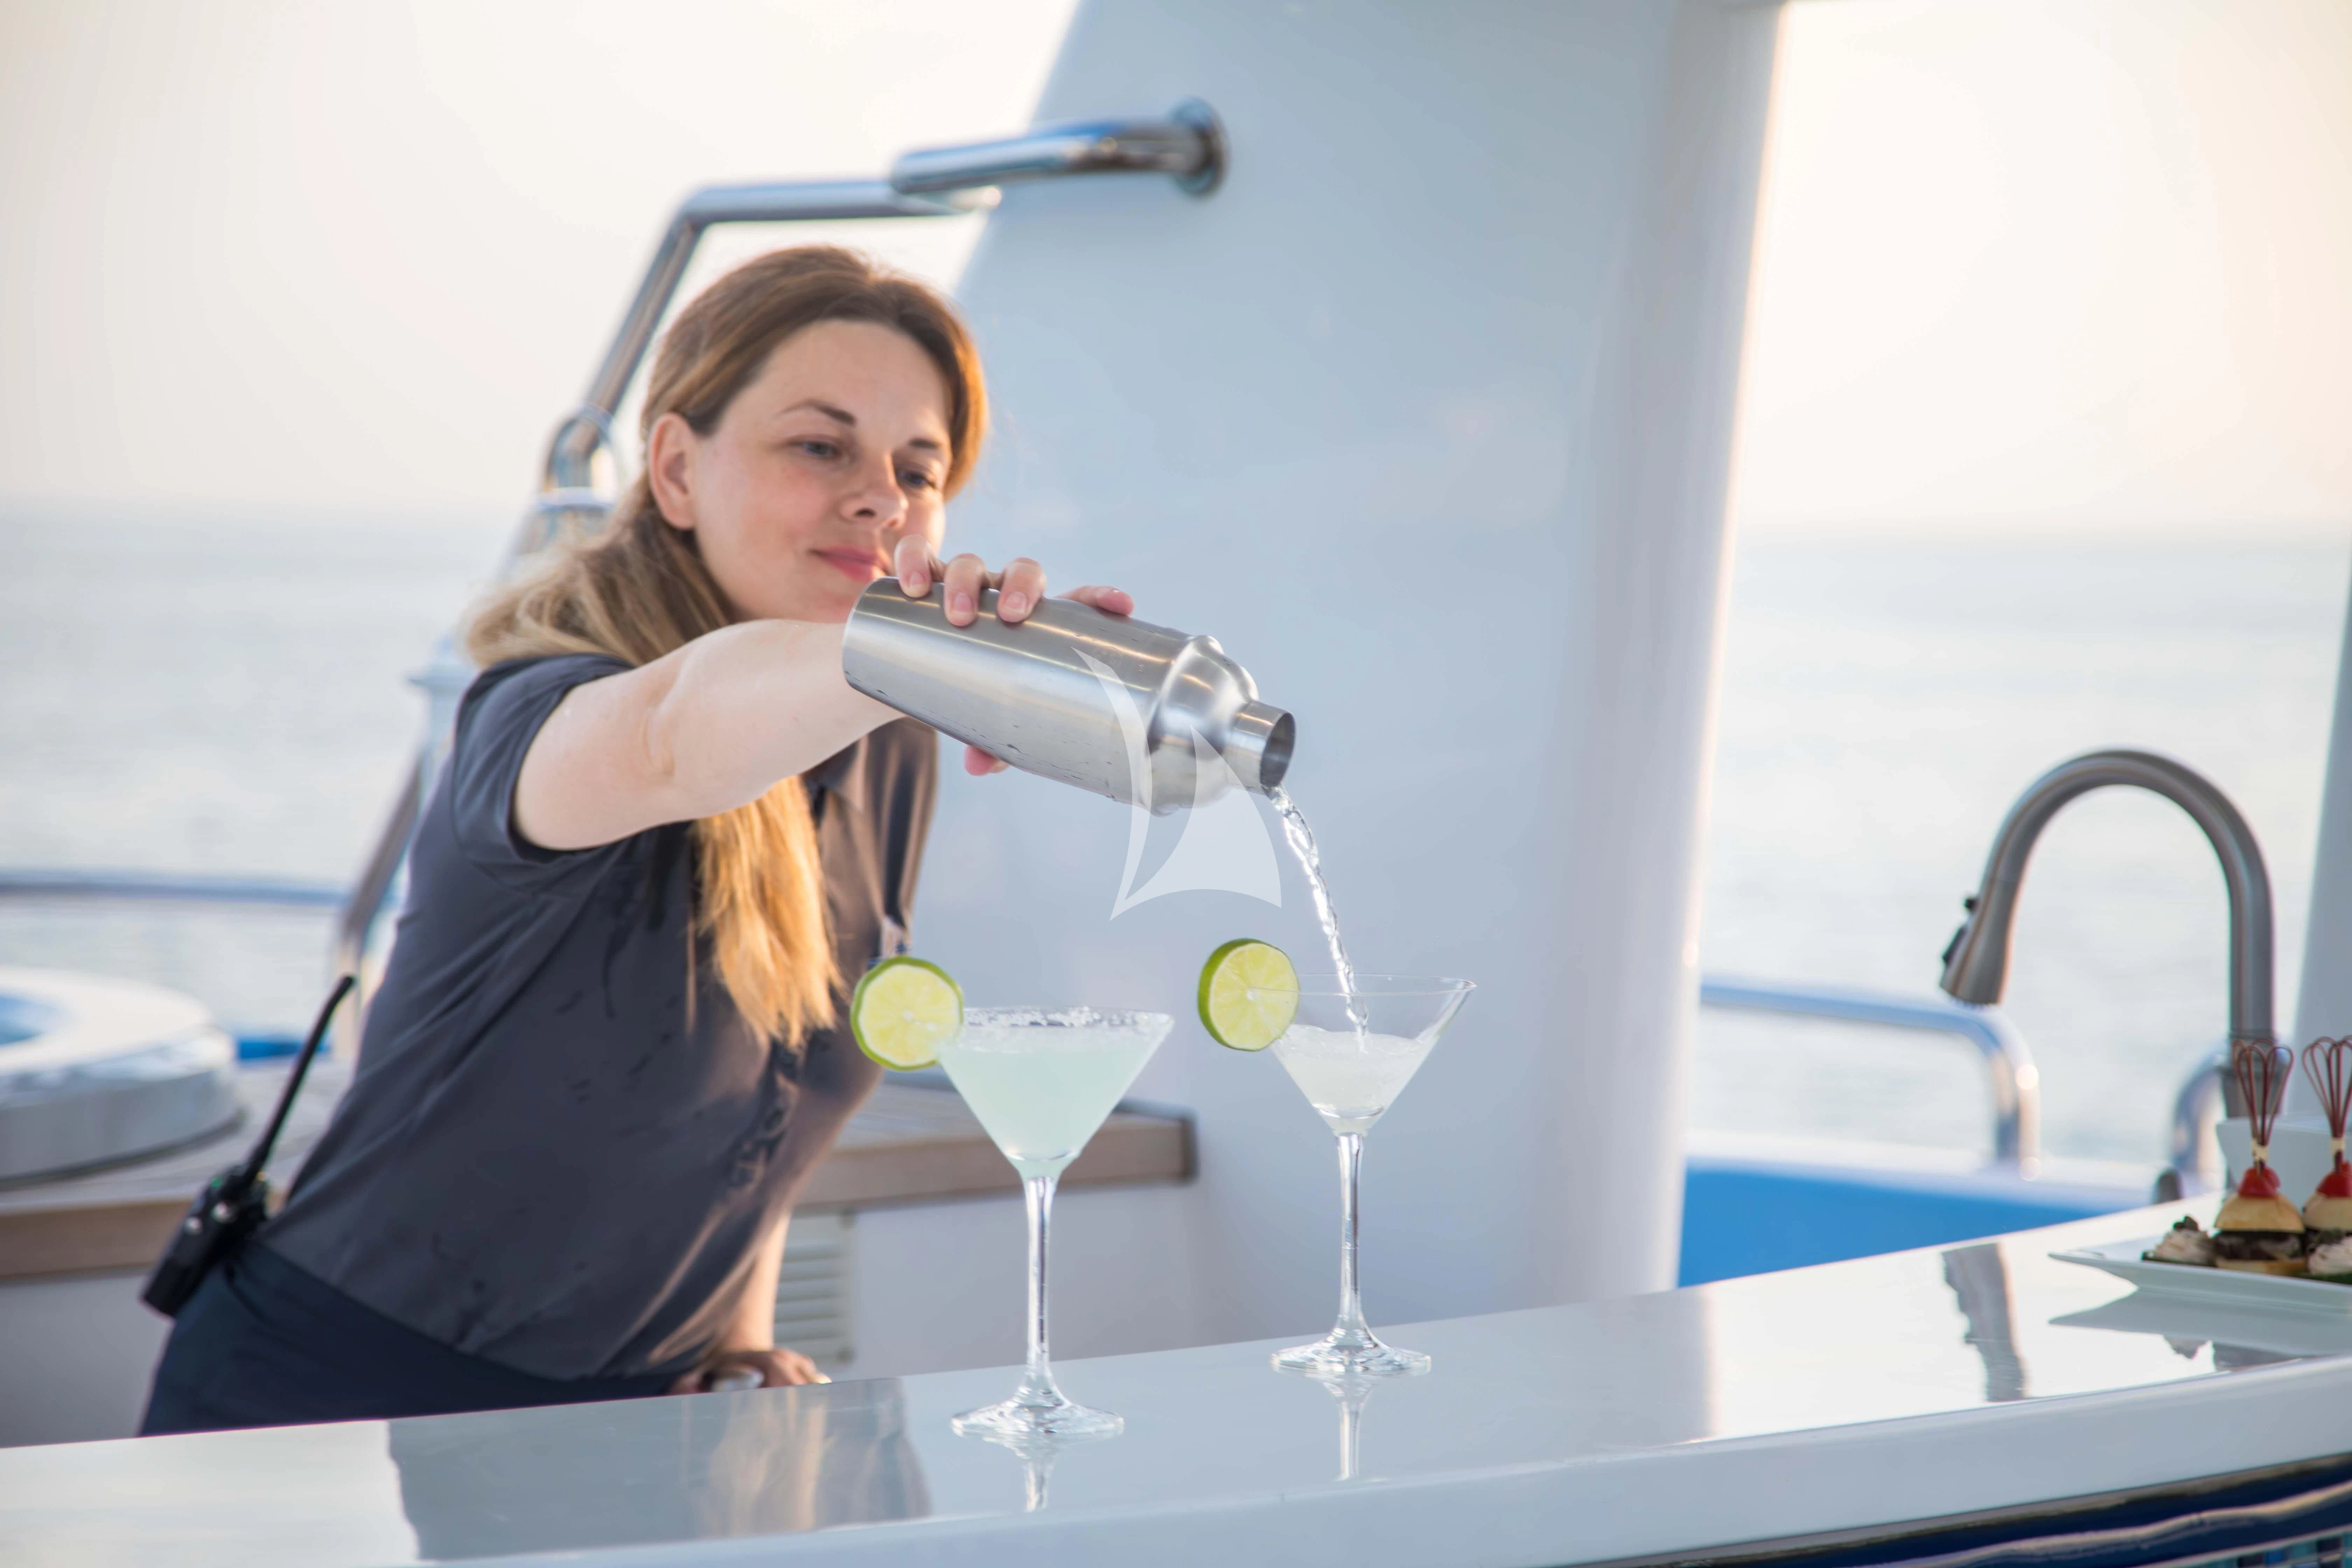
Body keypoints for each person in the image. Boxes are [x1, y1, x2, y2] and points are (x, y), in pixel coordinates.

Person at [141, 245, 1133, 1434]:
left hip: (635, 1426)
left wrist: (740, 1332)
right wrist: (937, 657)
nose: (881, 498)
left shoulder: (886, 745)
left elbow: (783, 1078)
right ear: (674, 468)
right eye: (819, 447)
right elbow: (675, 734)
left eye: (917, 470)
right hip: (333, 1414)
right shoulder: (545, 706)